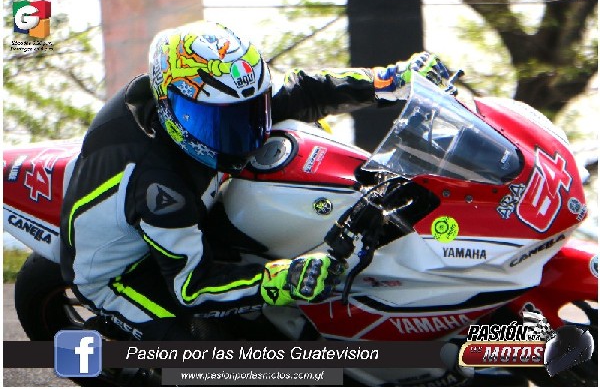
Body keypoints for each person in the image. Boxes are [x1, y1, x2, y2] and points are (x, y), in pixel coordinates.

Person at [59, 20, 449, 341]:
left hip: (184, 221)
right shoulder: (160, 186)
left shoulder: (224, 96)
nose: (238, 133)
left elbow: (304, 91)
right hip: (121, 274)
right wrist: (281, 279)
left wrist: (389, 81)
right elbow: (192, 288)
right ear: (168, 107)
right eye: (212, 122)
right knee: (202, 361)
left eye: (249, 112)